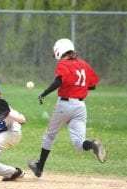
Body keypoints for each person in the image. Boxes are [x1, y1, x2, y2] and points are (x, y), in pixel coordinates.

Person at [28, 38, 106, 178]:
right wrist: (78, 86)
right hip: (80, 106)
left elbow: (59, 81)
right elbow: (92, 85)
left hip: (65, 105)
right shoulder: (84, 64)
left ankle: (39, 168)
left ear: (59, 51)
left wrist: (44, 93)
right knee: (79, 144)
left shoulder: (63, 64)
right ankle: (93, 145)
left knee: (49, 135)